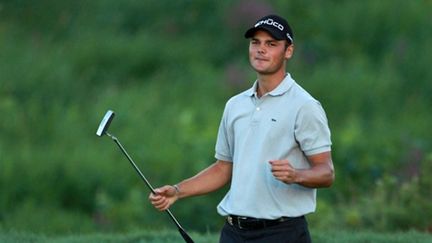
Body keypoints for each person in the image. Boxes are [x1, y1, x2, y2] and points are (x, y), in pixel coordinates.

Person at [149, 14, 335, 243]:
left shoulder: (304, 106)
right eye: (255, 42)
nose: (261, 49)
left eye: (271, 44)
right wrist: (177, 191)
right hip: (233, 233)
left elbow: (326, 172)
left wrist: (297, 175)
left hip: (282, 233)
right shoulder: (235, 105)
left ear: (288, 51)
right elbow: (223, 169)